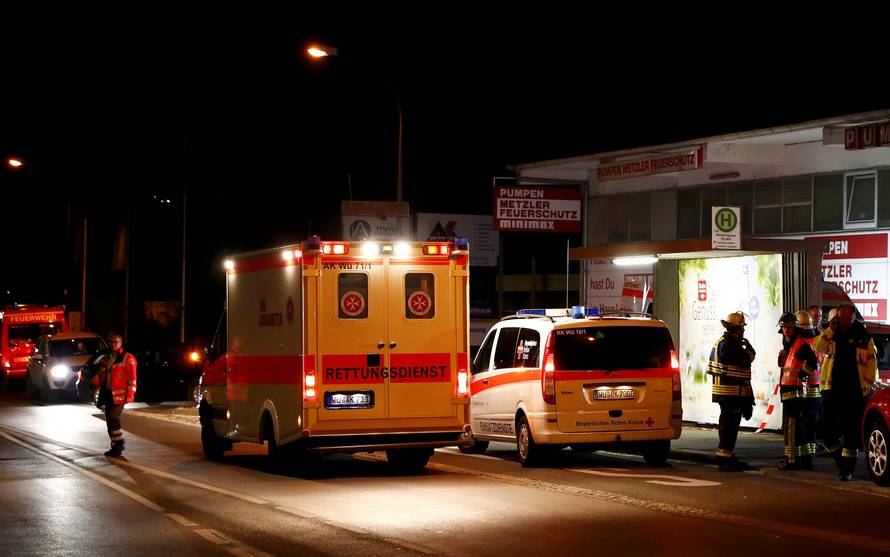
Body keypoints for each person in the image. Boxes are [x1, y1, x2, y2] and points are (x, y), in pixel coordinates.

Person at [813, 303, 877, 481]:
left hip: (854, 392)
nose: (844, 321)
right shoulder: (831, 334)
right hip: (832, 391)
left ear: (853, 318)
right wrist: (830, 329)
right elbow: (818, 347)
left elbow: (871, 363)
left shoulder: (863, 337)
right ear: (836, 318)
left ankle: (847, 470)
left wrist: (867, 385)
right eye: (841, 318)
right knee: (827, 433)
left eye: (848, 318)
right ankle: (841, 461)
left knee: (851, 435)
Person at [708, 311, 756, 472]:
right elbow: (746, 360)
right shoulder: (730, 345)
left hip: (729, 393)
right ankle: (724, 459)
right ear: (738, 329)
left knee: (728, 426)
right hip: (731, 393)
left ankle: (726, 456)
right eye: (742, 328)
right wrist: (749, 349)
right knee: (729, 427)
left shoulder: (724, 343)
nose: (743, 331)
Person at [776, 312, 818, 470]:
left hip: (794, 391)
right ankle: (802, 460)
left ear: (795, 328)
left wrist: (802, 374)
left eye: (789, 327)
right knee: (796, 427)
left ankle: (792, 460)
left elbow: (813, 361)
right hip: (790, 391)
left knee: (791, 428)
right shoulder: (791, 344)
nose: (786, 330)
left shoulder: (799, 343)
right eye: (784, 327)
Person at [92, 333, 138, 458]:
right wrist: (96, 379)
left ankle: (119, 445)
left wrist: (130, 394)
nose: (113, 344)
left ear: (121, 343)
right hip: (107, 393)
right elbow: (101, 373)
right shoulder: (106, 358)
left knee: (113, 419)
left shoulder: (128, 358)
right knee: (109, 421)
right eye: (111, 342)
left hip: (120, 395)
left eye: (116, 342)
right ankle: (115, 446)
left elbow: (132, 378)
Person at [795, 310, 823, 461]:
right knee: (811, 422)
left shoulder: (802, 342)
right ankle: (809, 453)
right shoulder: (817, 340)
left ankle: (804, 456)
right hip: (817, 387)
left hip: (805, 387)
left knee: (803, 423)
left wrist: (801, 374)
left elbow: (811, 363)